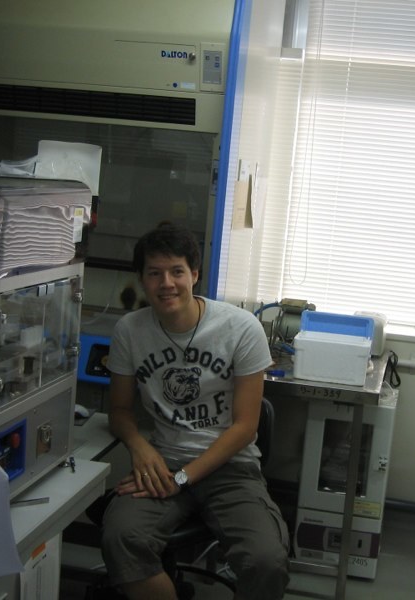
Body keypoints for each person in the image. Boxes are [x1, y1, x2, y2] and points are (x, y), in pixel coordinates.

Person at [101, 223, 290, 600]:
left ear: (195, 275)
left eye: (177, 271)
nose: (166, 284)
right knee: (121, 538)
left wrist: (184, 478)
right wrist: (139, 446)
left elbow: (245, 427)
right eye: (154, 273)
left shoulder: (240, 328)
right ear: (142, 279)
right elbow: (119, 410)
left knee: (265, 561)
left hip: (229, 468)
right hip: (163, 464)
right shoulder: (129, 331)